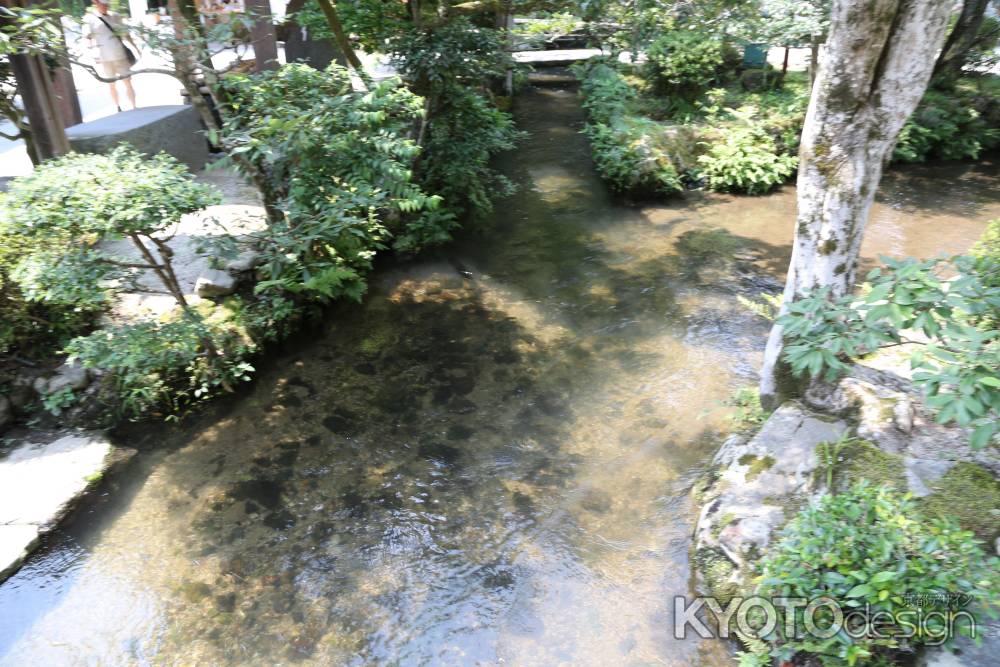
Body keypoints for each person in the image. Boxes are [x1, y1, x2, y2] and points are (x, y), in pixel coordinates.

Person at [84, 0, 139, 111]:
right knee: (111, 84)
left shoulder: (116, 16)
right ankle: (117, 107)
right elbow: (88, 38)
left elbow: (126, 34)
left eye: (106, 4)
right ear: (96, 4)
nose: (105, 6)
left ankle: (134, 106)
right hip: (105, 57)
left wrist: (135, 47)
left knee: (128, 81)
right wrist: (92, 54)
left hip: (120, 54)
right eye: (102, 4)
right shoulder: (90, 19)